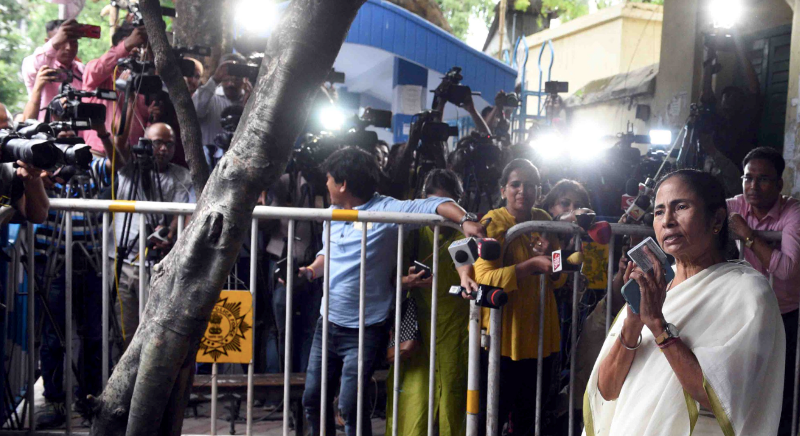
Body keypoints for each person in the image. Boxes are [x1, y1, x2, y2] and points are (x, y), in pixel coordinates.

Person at [299, 147, 485, 436]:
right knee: (312, 400)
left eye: (329, 178)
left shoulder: (386, 210)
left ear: (343, 184)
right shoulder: (332, 214)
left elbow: (437, 206)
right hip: (328, 324)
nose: (326, 183)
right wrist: (311, 270)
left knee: (349, 406)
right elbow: (329, 252)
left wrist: (464, 220)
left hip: (365, 329)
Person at [585, 169, 785, 435]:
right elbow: (608, 390)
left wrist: (658, 326)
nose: (667, 221)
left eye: (681, 207)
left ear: (716, 219)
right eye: (659, 212)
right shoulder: (653, 286)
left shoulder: (747, 292)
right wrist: (633, 323)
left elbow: (718, 399)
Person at [473, 159, 566, 436]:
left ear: (539, 190)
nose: (523, 191)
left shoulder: (544, 220)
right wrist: (530, 266)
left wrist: (550, 258)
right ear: (503, 190)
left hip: (539, 335)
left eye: (530, 185)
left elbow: (559, 276)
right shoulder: (491, 223)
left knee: (529, 419)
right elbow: (483, 278)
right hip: (501, 337)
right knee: (491, 417)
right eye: (515, 184)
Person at [386, 169, 478, 436]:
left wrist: (465, 277)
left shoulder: (461, 232)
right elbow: (389, 278)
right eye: (435, 204)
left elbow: (463, 262)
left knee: (453, 400)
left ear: (458, 202)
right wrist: (408, 281)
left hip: (455, 328)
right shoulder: (411, 231)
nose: (441, 213)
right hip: (416, 329)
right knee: (412, 403)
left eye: (448, 204)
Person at [725, 146, 800, 436]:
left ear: (779, 184)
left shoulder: (793, 212)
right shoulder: (734, 206)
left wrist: (748, 235)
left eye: (763, 179)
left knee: (783, 388)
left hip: (785, 314)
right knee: (741, 383)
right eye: (748, 178)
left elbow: (787, 269)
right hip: (744, 312)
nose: (753, 186)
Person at [108, 122, 195, 349]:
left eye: (169, 144)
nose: (163, 149)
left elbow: (184, 212)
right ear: (144, 143)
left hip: (157, 265)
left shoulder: (182, 176)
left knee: (152, 334)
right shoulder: (129, 168)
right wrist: (104, 132)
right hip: (122, 263)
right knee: (123, 332)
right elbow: (116, 147)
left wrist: (169, 232)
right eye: (157, 143)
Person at [82, 21, 150, 155]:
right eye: (131, 45)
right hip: (101, 153)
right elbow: (101, 66)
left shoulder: (140, 80)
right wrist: (126, 46)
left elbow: (144, 116)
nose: (134, 50)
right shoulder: (97, 73)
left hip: (131, 155)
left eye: (138, 46)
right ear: (115, 46)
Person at [20, 19, 84, 121]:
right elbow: (36, 63)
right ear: (48, 42)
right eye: (63, 42)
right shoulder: (38, 66)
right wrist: (55, 43)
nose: (69, 47)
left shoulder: (82, 70)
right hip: (46, 129)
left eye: (73, 42)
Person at [192, 53, 252, 146]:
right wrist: (214, 80)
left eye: (237, 79)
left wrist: (250, 107)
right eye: (226, 79)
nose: (231, 84)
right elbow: (194, 110)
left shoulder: (249, 101)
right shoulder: (209, 98)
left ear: (245, 78)